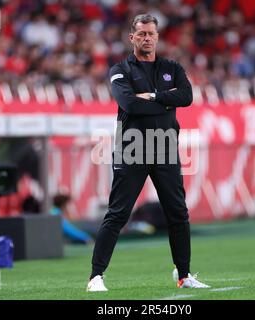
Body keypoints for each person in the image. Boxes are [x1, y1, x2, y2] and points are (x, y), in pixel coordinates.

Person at [87, 14, 210, 292]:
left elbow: (187, 97)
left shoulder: (172, 67)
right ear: (132, 38)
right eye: (141, 33)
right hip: (132, 147)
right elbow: (130, 105)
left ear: (157, 37)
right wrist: (166, 101)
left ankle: (184, 275)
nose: (146, 38)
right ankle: (95, 276)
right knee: (118, 214)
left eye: (151, 33)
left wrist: (153, 97)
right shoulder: (120, 70)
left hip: (165, 146)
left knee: (178, 213)